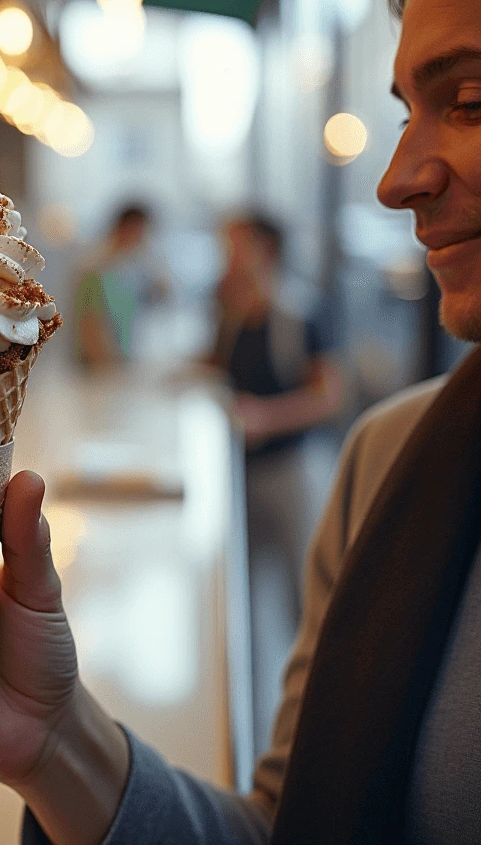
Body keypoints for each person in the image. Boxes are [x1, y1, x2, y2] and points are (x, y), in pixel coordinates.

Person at [0, 0, 481, 844]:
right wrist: (52, 738)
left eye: (469, 101)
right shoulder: (386, 467)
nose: (396, 180)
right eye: (402, 114)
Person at [207, 214, 345, 753]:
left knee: (303, 598)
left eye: (234, 242)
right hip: (241, 477)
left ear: (264, 248)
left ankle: (316, 728)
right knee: (245, 598)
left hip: (291, 474)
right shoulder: (232, 313)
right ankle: (260, 728)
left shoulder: (300, 312)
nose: (227, 253)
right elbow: (221, 370)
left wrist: (264, 417)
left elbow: (329, 396)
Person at [72, 203, 158, 366]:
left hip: (122, 362)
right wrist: (104, 364)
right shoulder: (93, 268)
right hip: (97, 367)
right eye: (140, 232)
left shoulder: (131, 269)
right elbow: (89, 325)